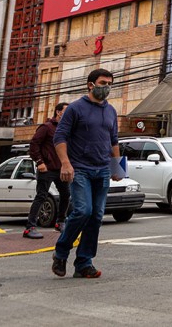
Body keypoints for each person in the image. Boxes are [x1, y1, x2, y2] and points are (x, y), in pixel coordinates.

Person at [52, 70, 120, 279]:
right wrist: (65, 163)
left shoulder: (111, 111)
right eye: (102, 83)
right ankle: (61, 252)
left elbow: (114, 140)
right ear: (90, 85)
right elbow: (59, 137)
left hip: (102, 170)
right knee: (83, 210)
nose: (106, 87)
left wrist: (117, 168)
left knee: (96, 216)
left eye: (109, 83)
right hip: (79, 168)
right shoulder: (75, 108)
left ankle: (83, 262)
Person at [23, 102, 70, 239]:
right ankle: (30, 227)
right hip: (47, 168)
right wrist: (39, 162)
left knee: (66, 194)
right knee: (42, 196)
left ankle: (60, 222)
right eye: (66, 111)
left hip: (61, 169)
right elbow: (34, 145)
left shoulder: (67, 129)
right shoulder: (46, 127)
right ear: (58, 112)